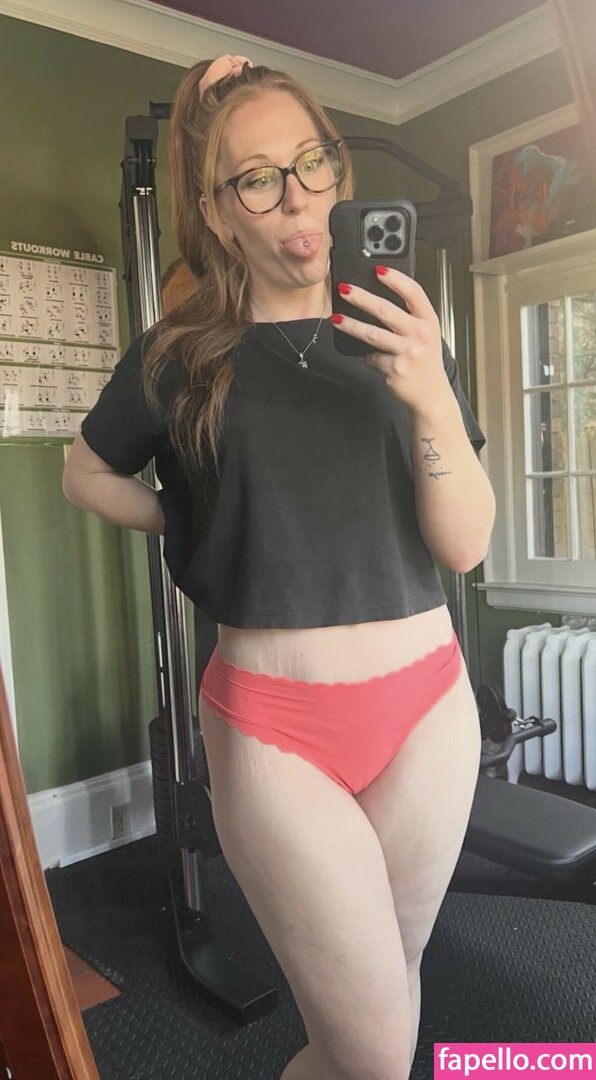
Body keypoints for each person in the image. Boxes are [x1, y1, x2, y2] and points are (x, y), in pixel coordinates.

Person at [63, 53, 495, 1080]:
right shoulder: (177, 356)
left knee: (388, 990)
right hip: (274, 729)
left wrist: (429, 394)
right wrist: (186, 518)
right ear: (218, 213)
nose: (296, 196)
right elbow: (84, 472)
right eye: (257, 178)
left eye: (312, 161)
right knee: (375, 1051)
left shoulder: (406, 332)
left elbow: (465, 545)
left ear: (338, 169)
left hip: (428, 710)